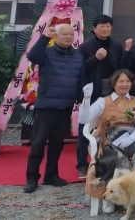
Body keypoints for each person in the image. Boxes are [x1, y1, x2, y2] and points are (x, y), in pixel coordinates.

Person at [24, 24, 85, 193]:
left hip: (65, 107)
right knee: (38, 143)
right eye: (65, 34)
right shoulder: (47, 52)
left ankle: (51, 175)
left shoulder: (78, 56)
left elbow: (81, 80)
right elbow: (33, 56)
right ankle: (32, 178)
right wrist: (45, 37)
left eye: (71, 34)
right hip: (46, 106)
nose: (69, 37)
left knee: (57, 144)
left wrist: (82, 101)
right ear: (56, 36)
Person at [80, 69, 135, 213]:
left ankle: (129, 196)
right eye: (121, 81)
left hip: (131, 137)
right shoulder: (103, 101)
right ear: (113, 83)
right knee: (117, 158)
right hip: (108, 139)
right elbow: (84, 119)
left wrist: (132, 138)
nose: (125, 84)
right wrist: (86, 98)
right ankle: (111, 198)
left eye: (128, 81)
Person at [76, 15, 127, 179]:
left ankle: (108, 162)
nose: (105, 29)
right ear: (94, 28)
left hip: (112, 91)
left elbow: (120, 68)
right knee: (86, 127)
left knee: (111, 126)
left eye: (108, 26)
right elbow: (79, 69)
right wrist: (95, 58)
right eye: (102, 26)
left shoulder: (116, 46)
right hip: (92, 91)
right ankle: (82, 165)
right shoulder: (85, 47)